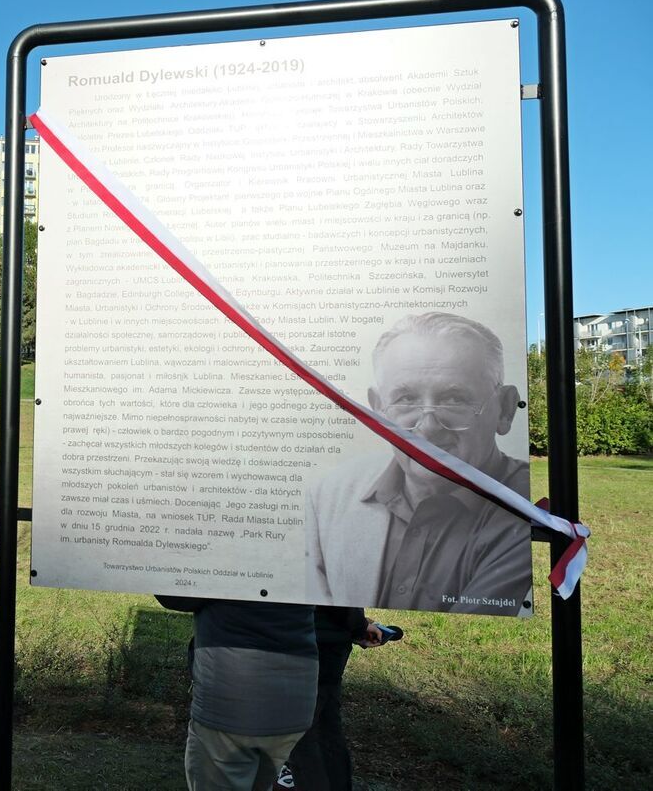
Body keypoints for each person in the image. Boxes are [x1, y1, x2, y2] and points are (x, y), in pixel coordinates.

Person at [305, 312, 532, 615]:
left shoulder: (525, 510)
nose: (427, 427)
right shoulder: (331, 494)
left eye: (454, 399)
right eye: (406, 398)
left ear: (504, 410)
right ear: (378, 411)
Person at [157, 594, 318, 791]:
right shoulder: (306, 562)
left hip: (231, 700)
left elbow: (175, 596)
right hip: (295, 697)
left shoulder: (228, 562)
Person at [277, 607, 392, 791]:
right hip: (327, 641)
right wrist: (360, 626)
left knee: (303, 735)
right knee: (326, 728)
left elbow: (338, 596)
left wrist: (360, 626)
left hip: (313, 641)